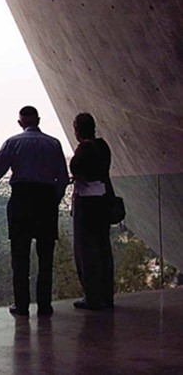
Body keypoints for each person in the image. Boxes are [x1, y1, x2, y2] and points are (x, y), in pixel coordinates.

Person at [0, 106, 69, 317]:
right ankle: (44, 306)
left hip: (21, 201)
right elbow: (63, 178)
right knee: (45, 257)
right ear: (38, 120)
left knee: (20, 257)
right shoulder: (54, 143)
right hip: (46, 201)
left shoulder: (12, 143)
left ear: (20, 123)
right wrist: (53, 200)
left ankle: (21, 306)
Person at [69, 112, 115, 310]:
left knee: (86, 251)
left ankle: (92, 296)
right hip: (103, 201)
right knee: (103, 248)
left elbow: (75, 168)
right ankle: (107, 294)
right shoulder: (103, 147)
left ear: (78, 130)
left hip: (87, 204)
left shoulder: (84, 149)